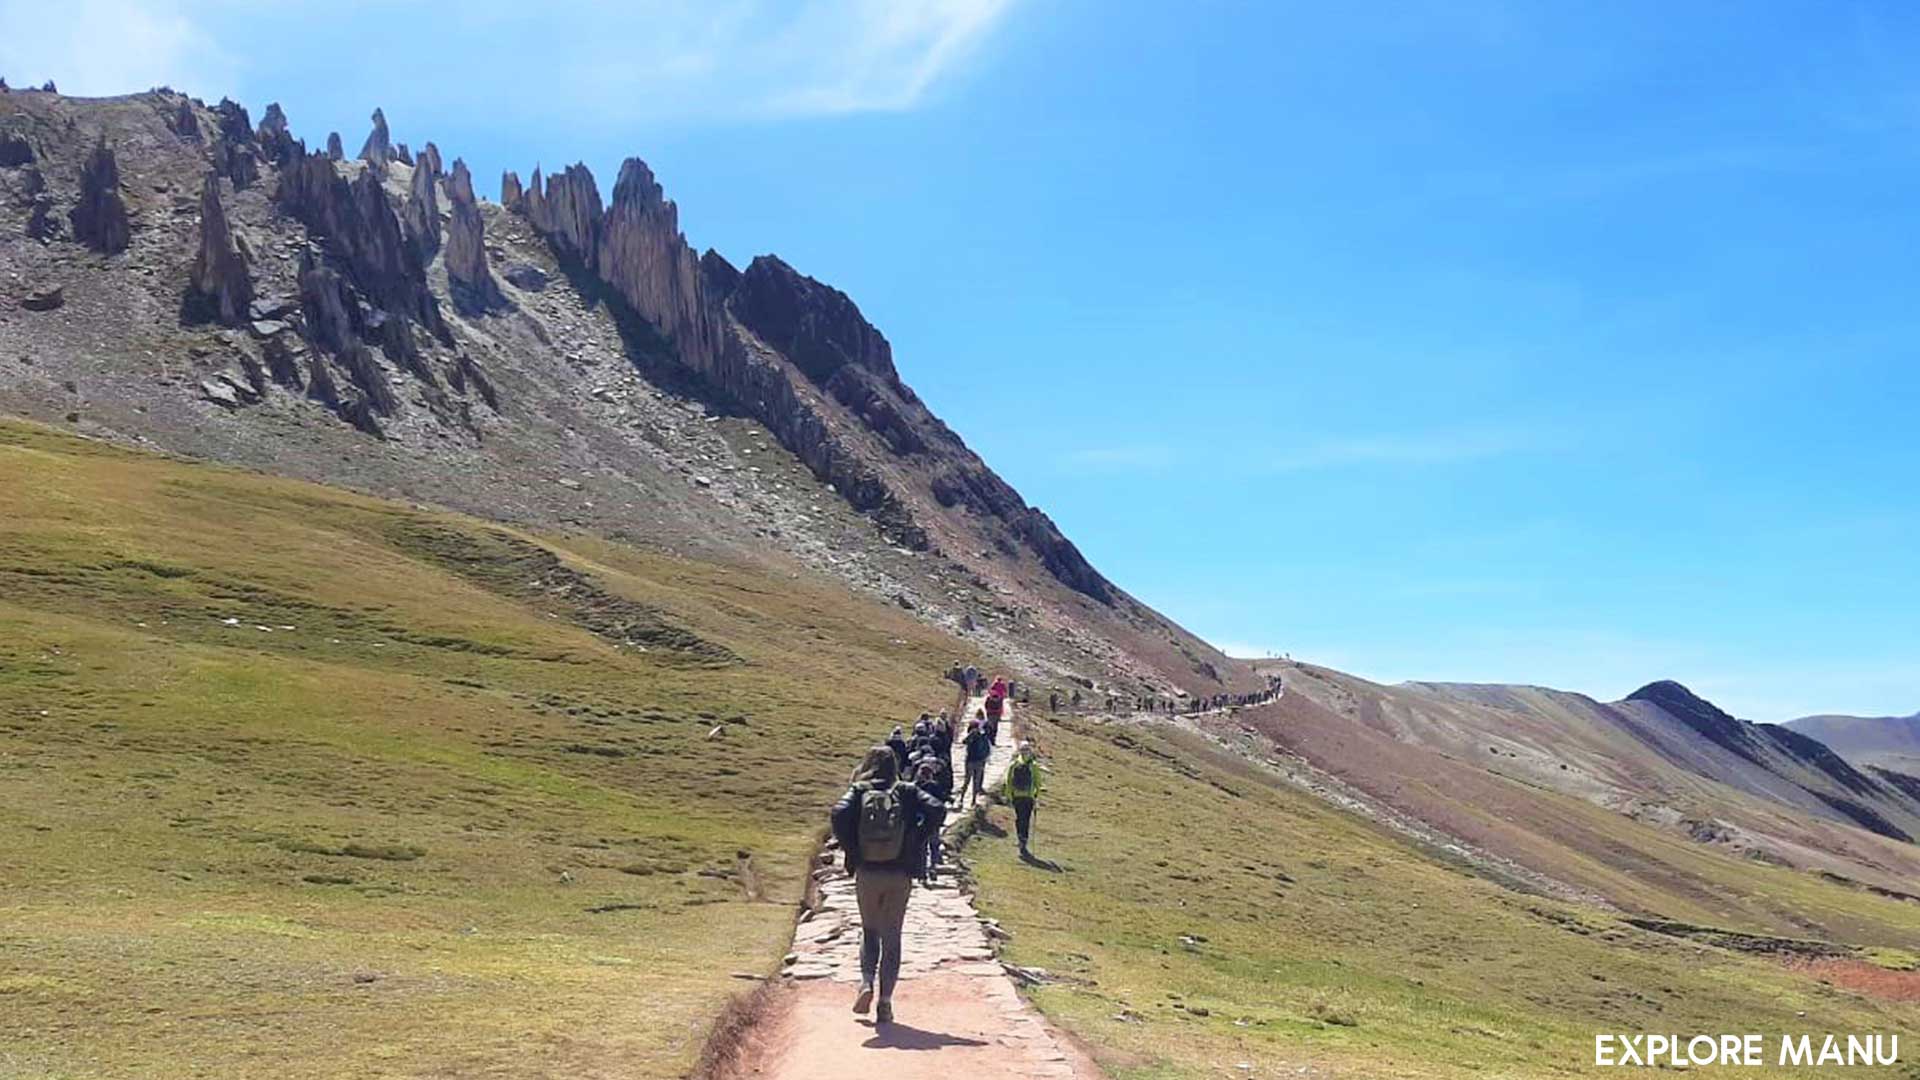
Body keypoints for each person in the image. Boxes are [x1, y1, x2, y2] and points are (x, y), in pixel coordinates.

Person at [830, 747, 947, 1025]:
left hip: (867, 872)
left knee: (869, 931)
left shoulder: (859, 791)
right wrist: (917, 838)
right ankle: (885, 1003)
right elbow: (938, 809)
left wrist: (853, 849)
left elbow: (837, 814)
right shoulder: (906, 790)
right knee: (892, 937)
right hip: (899, 873)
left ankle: (866, 982)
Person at [1002, 741, 1045, 856]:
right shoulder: (1033, 765)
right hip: (1029, 797)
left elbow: (1008, 781)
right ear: (1029, 752)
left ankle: (1020, 837)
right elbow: (1038, 782)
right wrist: (1037, 795)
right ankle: (1023, 840)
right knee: (1026, 819)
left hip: (1016, 796)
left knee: (1019, 818)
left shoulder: (1014, 764)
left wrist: (1009, 796)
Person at [913, 757, 950, 885]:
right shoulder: (934, 786)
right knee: (934, 846)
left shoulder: (914, 787)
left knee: (921, 848)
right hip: (933, 821)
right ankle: (933, 867)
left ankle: (922, 874)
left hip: (918, 821)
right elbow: (942, 800)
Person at [958, 717, 992, 807]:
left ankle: (961, 799)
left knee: (967, 780)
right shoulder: (983, 734)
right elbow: (988, 748)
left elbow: (964, 741)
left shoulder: (972, 733)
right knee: (976, 781)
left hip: (970, 760)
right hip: (980, 761)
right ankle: (973, 800)